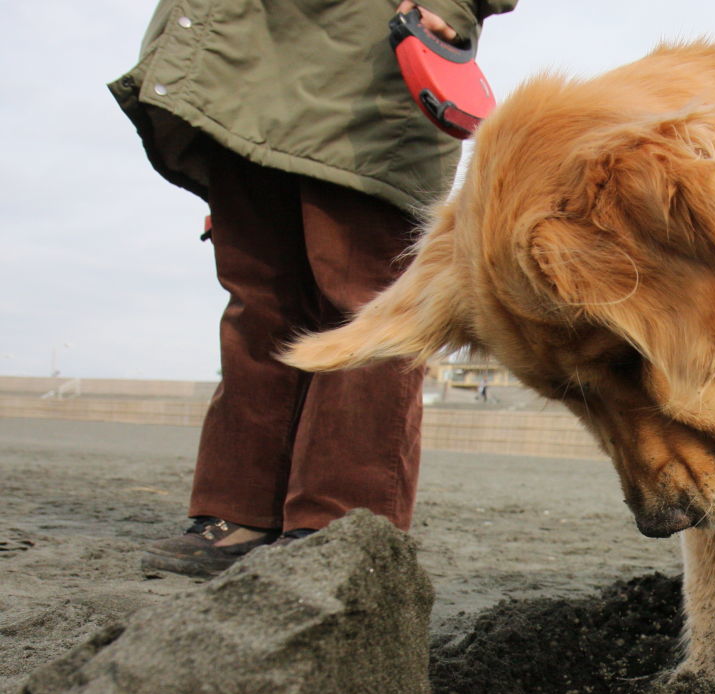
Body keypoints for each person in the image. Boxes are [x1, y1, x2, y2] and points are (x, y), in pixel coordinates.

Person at [110, 0, 515, 577]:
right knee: (259, 300)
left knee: (366, 306)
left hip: (366, 55)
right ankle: (239, 509)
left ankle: (340, 521)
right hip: (242, 56)